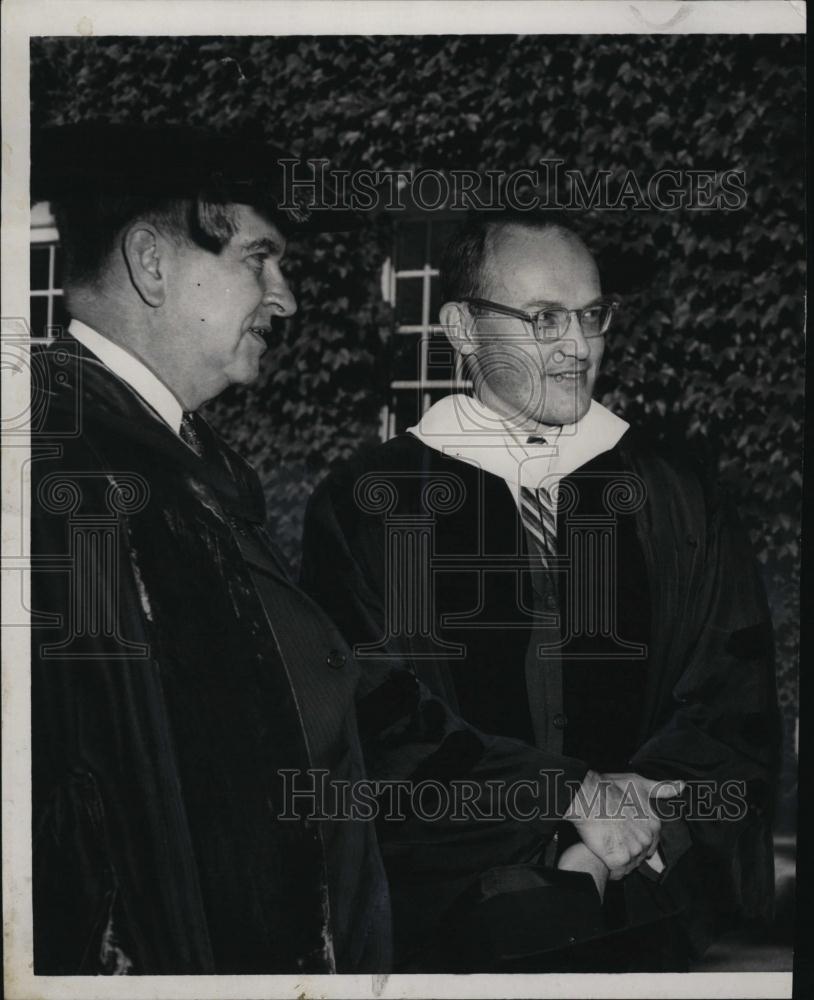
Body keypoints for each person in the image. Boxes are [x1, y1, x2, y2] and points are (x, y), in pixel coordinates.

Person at [301, 210, 781, 970]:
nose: (578, 346)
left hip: (646, 897)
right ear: (460, 328)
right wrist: (561, 798)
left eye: (592, 316)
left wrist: (627, 823)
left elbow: (730, 698)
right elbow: (371, 716)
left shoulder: (674, 494)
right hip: (460, 919)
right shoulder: (370, 503)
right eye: (545, 318)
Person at [28, 122, 389, 975]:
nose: (287, 297)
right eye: (258, 259)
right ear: (152, 263)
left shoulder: (177, 468)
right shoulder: (59, 477)